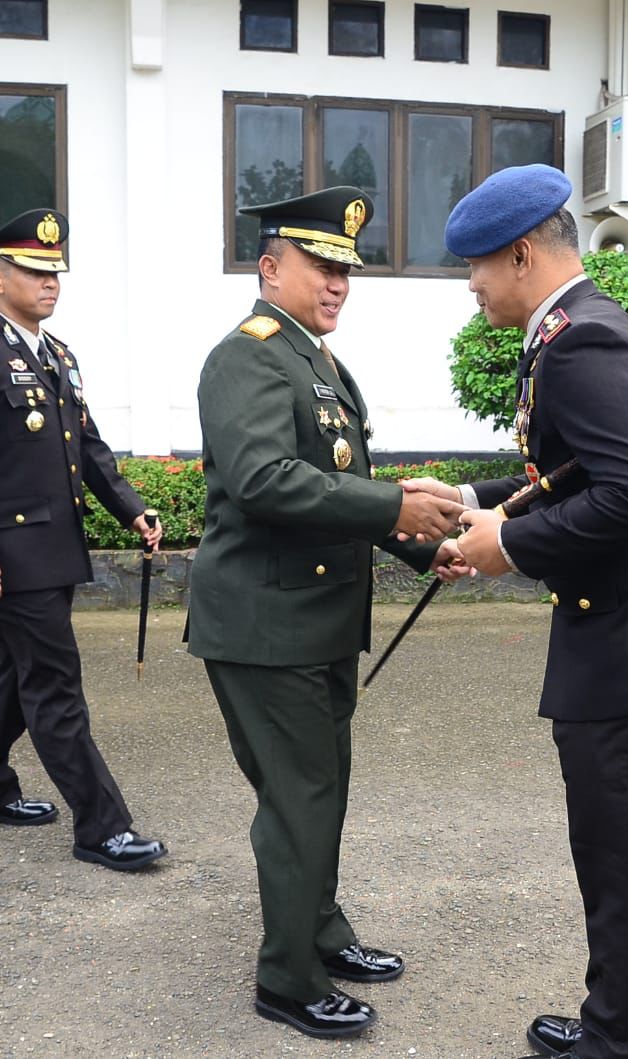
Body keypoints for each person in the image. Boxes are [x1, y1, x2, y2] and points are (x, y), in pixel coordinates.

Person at [410, 163, 628, 1059]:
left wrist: (508, 545)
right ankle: (615, 1026)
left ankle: (626, 1045)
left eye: (475, 266)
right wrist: (473, 496)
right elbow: (577, 475)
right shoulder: (573, 327)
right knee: (616, 861)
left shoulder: (581, 343)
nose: (471, 285)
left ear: (522, 253)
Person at [186, 187, 463, 1041]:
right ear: (270, 268)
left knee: (319, 792)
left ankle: (321, 931)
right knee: (300, 798)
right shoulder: (249, 357)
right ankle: (289, 979)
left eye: (348, 269)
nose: (339, 282)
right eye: (322, 265)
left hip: (310, 622)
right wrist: (395, 511)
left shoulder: (319, 363)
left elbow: (339, 486)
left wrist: (426, 547)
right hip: (266, 627)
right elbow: (267, 481)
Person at [0, 209, 168, 871]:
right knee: (56, 688)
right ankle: (102, 826)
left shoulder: (57, 353)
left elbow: (86, 449)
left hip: (51, 554)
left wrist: (133, 510)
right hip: (5, 558)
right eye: (33, 271)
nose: (48, 283)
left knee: (13, 671)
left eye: (54, 272)